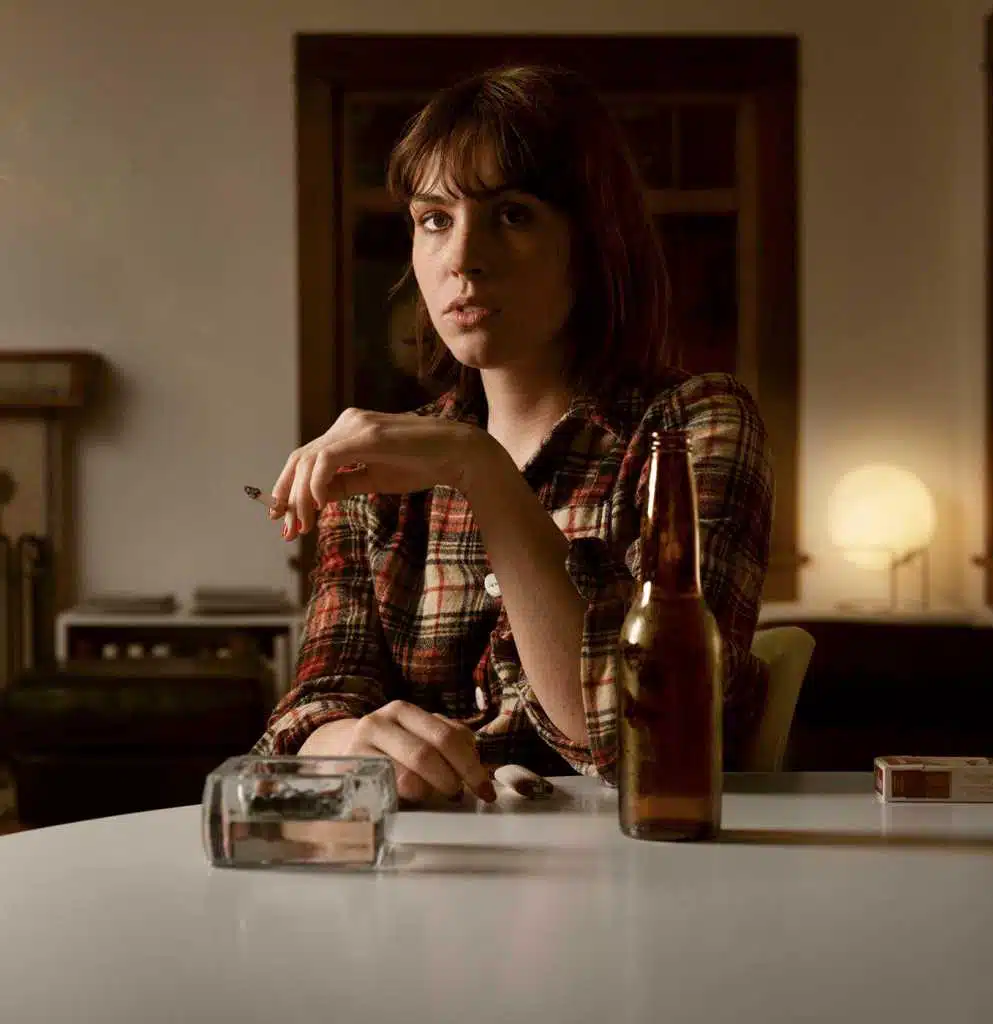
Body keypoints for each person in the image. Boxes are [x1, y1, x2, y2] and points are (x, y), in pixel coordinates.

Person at [251, 65, 774, 805]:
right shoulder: (386, 469)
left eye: (513, 215)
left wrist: (482, 470)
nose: (462, 257)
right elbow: (313, 705)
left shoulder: (690, 427)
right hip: (431, 863)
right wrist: (345, 743)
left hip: (645, 859)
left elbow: (651, 736)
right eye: (435, 219)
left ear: (593, 242)